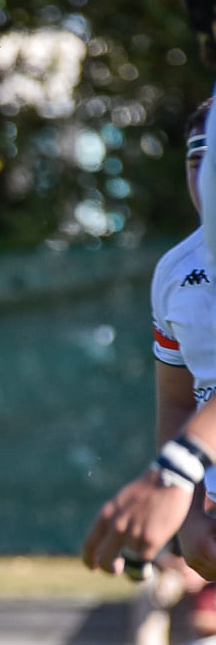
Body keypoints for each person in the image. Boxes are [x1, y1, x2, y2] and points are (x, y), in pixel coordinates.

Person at [85, 100, 216, 580]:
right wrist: (192, 517)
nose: (206, 177)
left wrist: (175, 471)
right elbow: (178, 400)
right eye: (197, 161)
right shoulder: (176, 272)